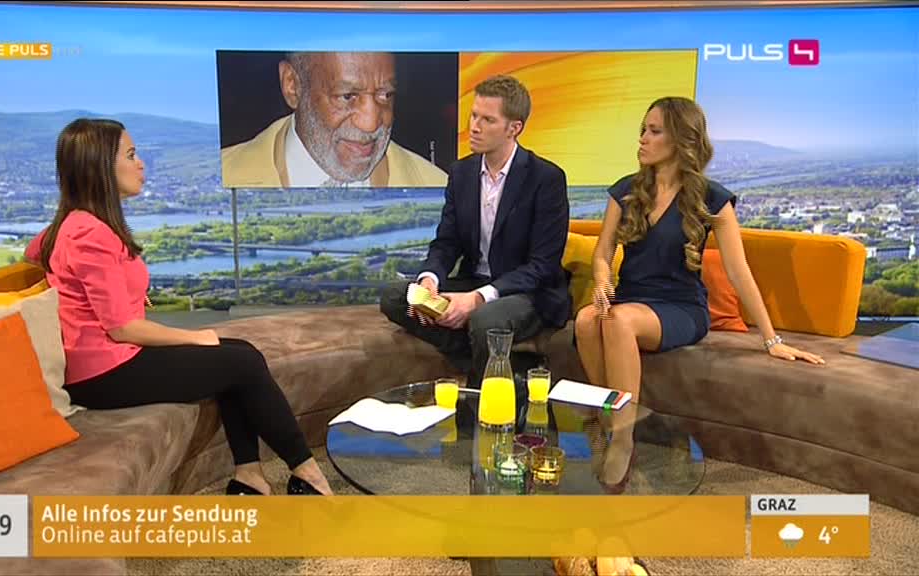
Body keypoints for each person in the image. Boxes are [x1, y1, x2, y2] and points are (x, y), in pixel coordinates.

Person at [25, 118, 333, 496]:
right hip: (104, 374)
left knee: (237, 356)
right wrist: (193, 337)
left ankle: (249, 476)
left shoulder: (72, 224)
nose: (141, 164)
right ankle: (307, 472)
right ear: (99, 166)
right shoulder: (91, 232)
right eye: (131, 156)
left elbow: (35, 253)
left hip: (103, 364)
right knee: (243, 362)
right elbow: (122, 328)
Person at [574, 96, 824, 492]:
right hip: (631, 299)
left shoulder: (712, 198)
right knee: (587, 320)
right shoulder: (625, 191)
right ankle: (608, 417)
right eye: (643, 129)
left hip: (680, 307)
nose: (642, 138)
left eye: (654, 131)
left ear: (680, 140)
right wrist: (603, 280)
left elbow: (739, 272)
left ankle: (623, 438)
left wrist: (771, 339)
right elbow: (603, 252)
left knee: (616, 321)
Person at [380, 75, 571, 387]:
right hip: (474, 280)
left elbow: (542, 266)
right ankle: (489, 359)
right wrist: (430, 279)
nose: (474, 127)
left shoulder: (545, 178)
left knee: (485, 319)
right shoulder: (462, 172)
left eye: (487, 120)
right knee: (397, 297)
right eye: (473, 116)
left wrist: (477, 299)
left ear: (514, 128)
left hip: (527, 293)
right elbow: (447, 242)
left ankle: (478, 397)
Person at [220, 51, 448, 188]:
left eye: (385, 95)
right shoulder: (223, 172)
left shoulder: (439, 184)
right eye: (347, 96)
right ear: (292, 85)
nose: (370, 124)